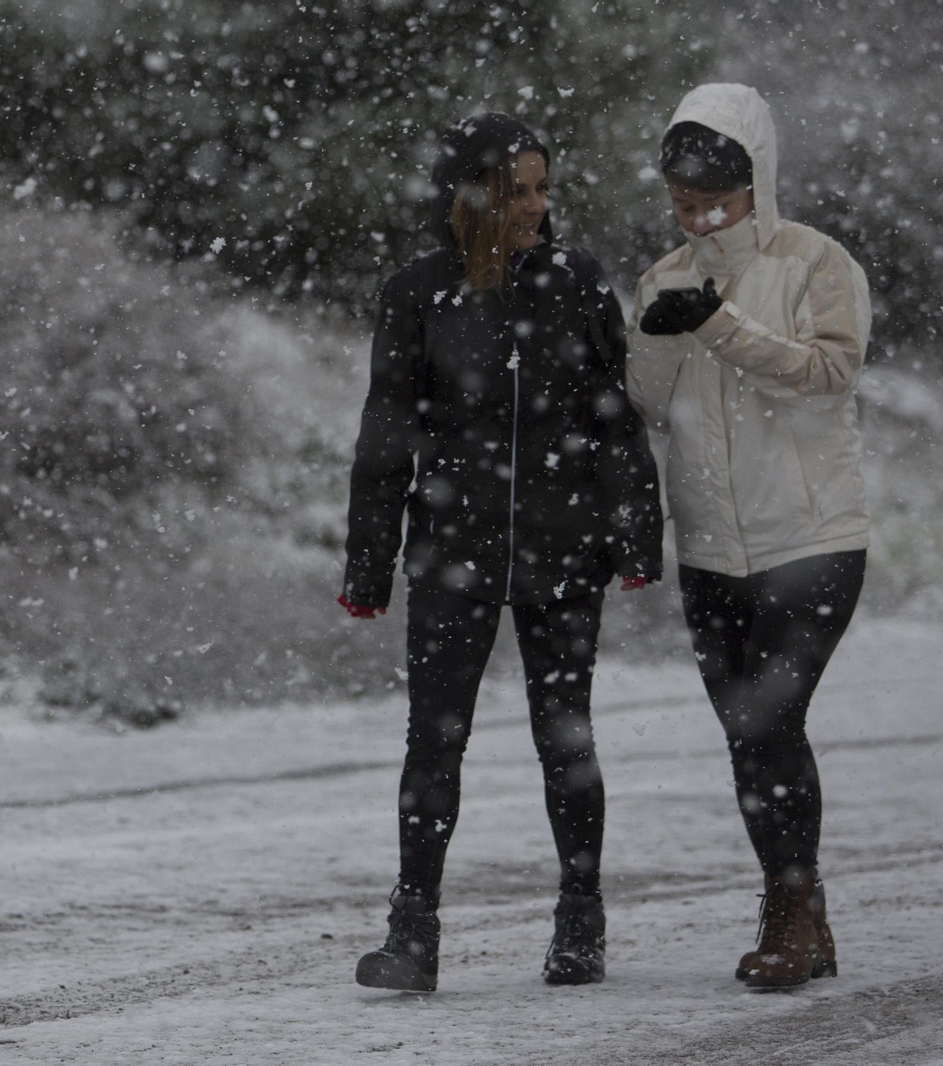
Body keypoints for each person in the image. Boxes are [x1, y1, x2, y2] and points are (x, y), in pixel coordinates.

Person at [340, 112, 664, 992]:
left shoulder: (575, 281)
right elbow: (385, 433)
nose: (535, 206)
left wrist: (636, 534)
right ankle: (413, 933)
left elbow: (615, 418)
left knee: (566, 737)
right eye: (516, 190)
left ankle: (580, 921)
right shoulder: (418, 293)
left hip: (566, 548)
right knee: (433, 742)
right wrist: (369, 565)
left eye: (542, 188)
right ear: (469, 195)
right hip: (453, 549)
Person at [626, 83, 873, 989]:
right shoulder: (663, 277)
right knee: (745, 733)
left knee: (771, 719)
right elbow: (649, 405)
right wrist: (660, 338)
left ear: (756, 183)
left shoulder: (815, 263)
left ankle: (789, 912)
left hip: (812, 539)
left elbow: (831, 373)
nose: (698, 219)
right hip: (709, 550)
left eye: (715, 203)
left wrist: (721, 326)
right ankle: (801, 907)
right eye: (683, 203)